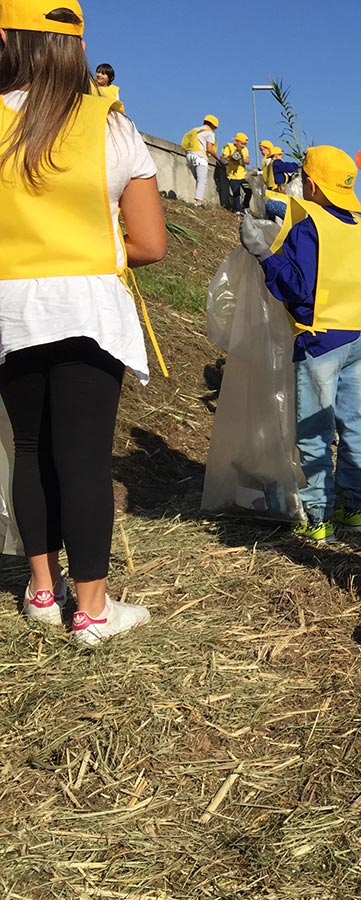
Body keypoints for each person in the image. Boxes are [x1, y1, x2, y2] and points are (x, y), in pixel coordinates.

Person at [0, 0, 167, 645]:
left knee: (31, 448)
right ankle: (93, 611)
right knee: (86, 457)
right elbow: (151, 243)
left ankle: (43, 592)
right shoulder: (111, 125)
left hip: (9, 308)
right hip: (88, 306)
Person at [239, 146, 361, 543]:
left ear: (312, 183)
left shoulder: (308, 227)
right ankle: (356, 510)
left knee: (315, 432)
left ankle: (317, 516)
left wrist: (263, 253)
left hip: (319, 343)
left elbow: (295, 286)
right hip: (359, 338)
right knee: (355, 424)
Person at [181, 113, 220, 207]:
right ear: (213, 125)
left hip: (190, 156)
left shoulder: (194, 130)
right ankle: (198, 202)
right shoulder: (210, 133)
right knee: (202, 180)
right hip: (201, 158)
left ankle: (198, 200)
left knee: (198, 179)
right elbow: (210, 149)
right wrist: (219, 159)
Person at [222, 131, 251, 213]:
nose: (243, 146)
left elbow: (247, 160)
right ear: (236, 142)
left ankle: (244, 207)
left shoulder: (245, 150)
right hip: (233, 175)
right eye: (242, 143)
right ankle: (237, 209)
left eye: (245, 144)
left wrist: (241, 159)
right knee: (236, 193)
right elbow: (224, 157)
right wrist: (232, 157)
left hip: (242, 175)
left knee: (248, 191)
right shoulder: (229, 146)